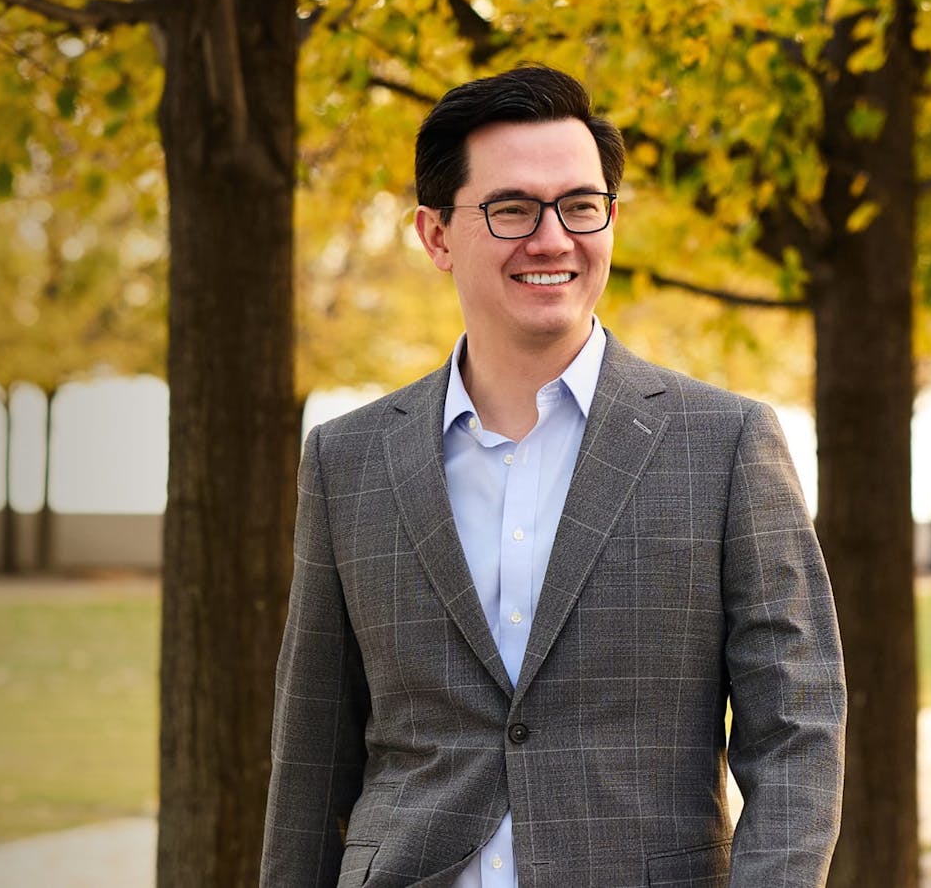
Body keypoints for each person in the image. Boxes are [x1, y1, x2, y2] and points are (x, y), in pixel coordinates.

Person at [261, 66, 846, 888]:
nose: (552, 238)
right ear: (435, 234)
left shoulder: (725, 443)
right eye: (512, 209)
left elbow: (797, 729)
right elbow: (311, 758)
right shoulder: (346, 460)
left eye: (580, 205)